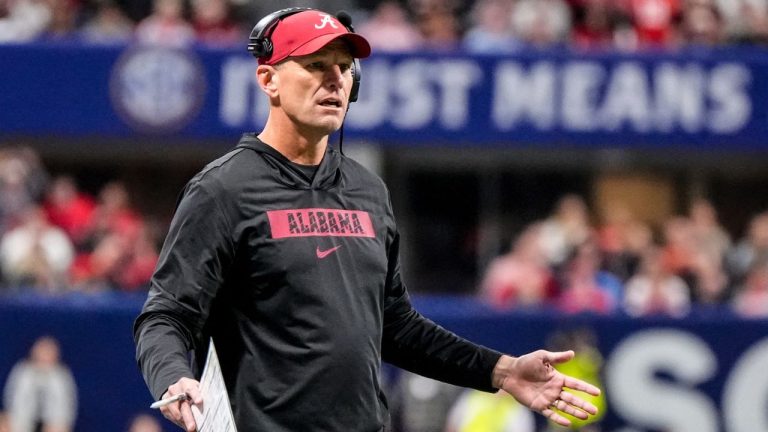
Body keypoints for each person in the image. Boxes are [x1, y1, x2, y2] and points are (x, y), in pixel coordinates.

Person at [133, 7, 601, 432]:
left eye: (343, 68)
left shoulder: (367, 191)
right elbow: (166, 314)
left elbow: (394, 326)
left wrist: (500, 370)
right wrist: (174, 376)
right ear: (268, 79)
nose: (334, 79)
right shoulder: (222, 190)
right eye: (315, 65)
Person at [2, 336, 78, 432]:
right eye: (42, 351)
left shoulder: (62, 375)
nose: (44, 355)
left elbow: (67, 404)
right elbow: (11, 396)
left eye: (48, 352)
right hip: (21, 418)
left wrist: (57, 423)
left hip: (52, 422)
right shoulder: (22, 370)